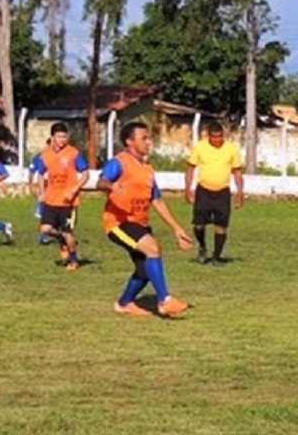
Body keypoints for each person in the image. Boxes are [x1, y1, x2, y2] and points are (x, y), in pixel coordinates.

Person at [98, 122, 192, 317]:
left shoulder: (147, 169)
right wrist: (111, 186)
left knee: (144, 270)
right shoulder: (119, 162)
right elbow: (101, 181)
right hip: (119, 223)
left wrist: (177, 229)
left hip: (139, 223)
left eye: (149, 138)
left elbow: (156, 200)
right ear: (129, 141)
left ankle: (124, 303)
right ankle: (164, 300)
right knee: (152, 249)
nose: (149, 142)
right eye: (144, 138)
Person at [184, 122, 245, 264]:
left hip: (222, 192)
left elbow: (237, 172)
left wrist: (240, 192)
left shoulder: (230, 149)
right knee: (198, 224)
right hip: (203, 190)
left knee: (221, 225)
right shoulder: (200, 147)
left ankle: (216, 257)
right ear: (209, 136)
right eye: (214, 137)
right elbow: (190, 168)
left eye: (219, 137)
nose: (217, 140)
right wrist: (187, 189)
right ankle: (202, 246)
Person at [31, 123, 89, 270]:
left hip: (68, 202)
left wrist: (74, 189)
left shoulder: (73, 153)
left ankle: (74, 260)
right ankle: (62, 240)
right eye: (59, 136)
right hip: (51, 200)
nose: (62, 139)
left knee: (68, 231)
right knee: (45, 229)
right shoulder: (45, 155)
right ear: (52, 138)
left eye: (64, 136)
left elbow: (85, 173)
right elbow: (40, 174)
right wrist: (42, 192)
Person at [29, 139, 53, 244]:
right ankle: (43, 236)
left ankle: (51, 233)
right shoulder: (39, 157)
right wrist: (30, 185)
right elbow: (31, 171)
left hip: (56, 187)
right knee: (42, 213)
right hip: (43, 186)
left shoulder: (59, 156)